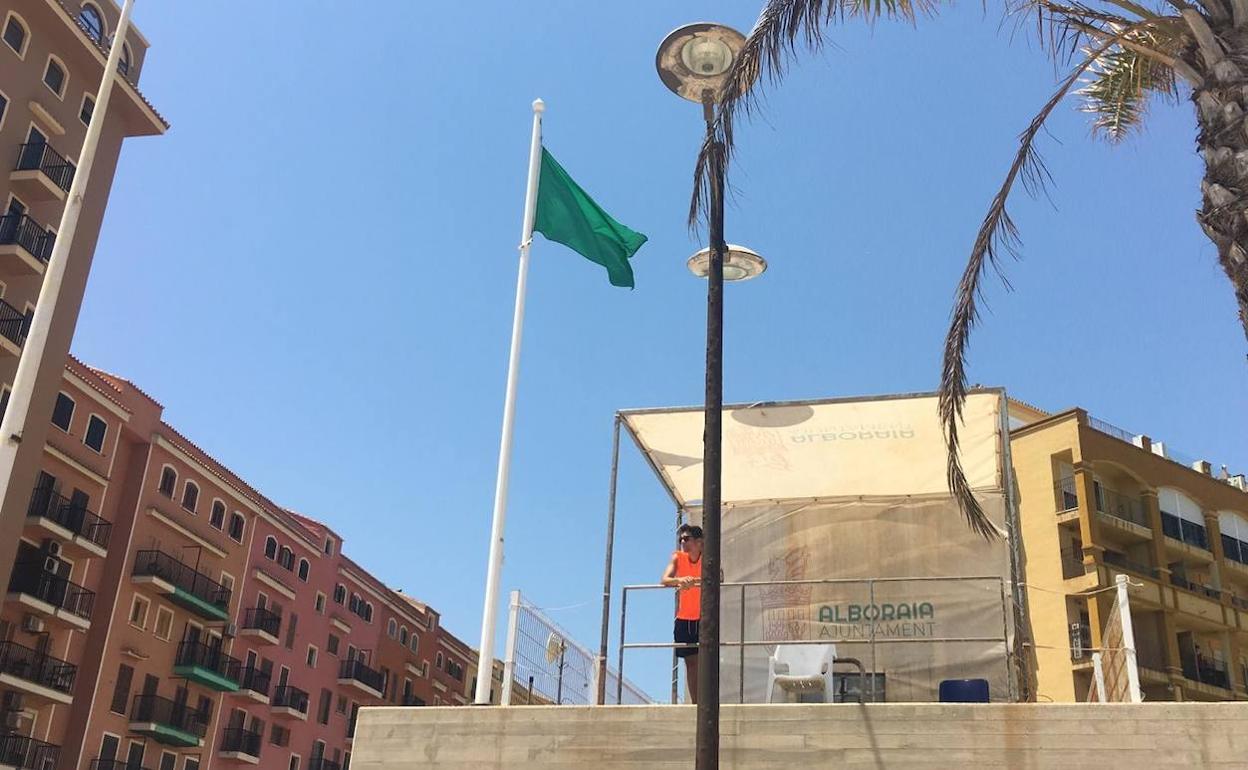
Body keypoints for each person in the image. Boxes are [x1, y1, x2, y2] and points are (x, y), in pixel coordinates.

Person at [661, 524, 703, 704]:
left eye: (687, 539)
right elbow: (664, 579)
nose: (683, 542)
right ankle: (696, 704)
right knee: (691, 664)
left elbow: (719, 577)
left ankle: (704, 702)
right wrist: (680, 580)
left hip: (703, 618)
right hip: (684, 618)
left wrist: (694, 582)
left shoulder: (708, 558)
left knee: (706, 663)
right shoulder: (677, 558)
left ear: (699, 542)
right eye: (681, 539)